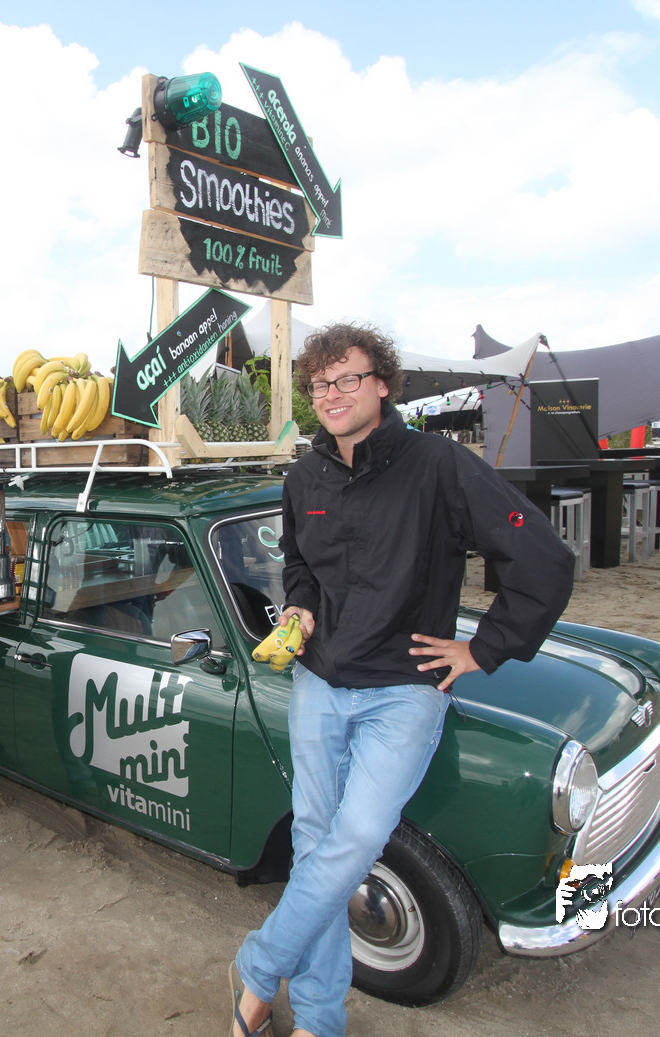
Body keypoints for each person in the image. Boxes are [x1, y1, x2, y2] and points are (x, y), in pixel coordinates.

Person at [230, 323, 575, 1036]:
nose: (332, 394)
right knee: (315, 846)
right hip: (319, 684)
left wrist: (484, 648)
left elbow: (542, 557)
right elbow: (299, 563)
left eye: (347, 379)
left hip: (403, 690)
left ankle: (259, 965)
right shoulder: (304, 477)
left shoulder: (439, 465)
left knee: (354, 840)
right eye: (320, 384)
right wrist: (299, 604)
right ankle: (319, 1019)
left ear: (382, 383)